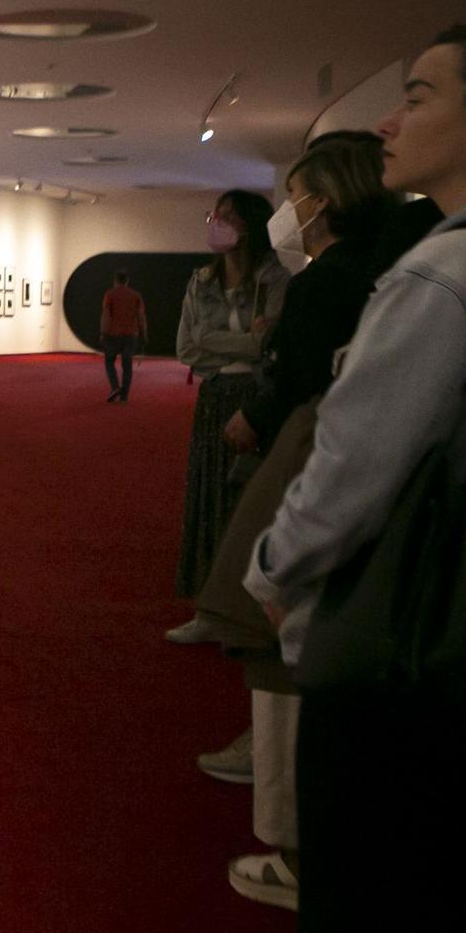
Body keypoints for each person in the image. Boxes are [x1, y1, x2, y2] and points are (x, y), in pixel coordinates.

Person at [243, 24, 466, 933]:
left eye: (418, 96)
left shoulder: (447, 269)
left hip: (415, 633)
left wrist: (271, 571)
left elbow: (353, 467)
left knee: (378, 907)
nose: (386, 122)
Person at [191, 131, 396, 910]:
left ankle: (291, 830)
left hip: (312, 451)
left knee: (276, 604)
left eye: (298, 194)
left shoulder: (331, 282)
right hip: (317, 445)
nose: (289, 210)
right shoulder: (380, 268)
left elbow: (310, 378)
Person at [164, 190, 289, 643]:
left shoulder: (276, 277)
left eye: (228, 216)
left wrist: (220, 339)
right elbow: (186, 347)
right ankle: (210, 609)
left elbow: (271, 347)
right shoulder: (202, 281)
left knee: (253, 500)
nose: (217, 222)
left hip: (259, 398)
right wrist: (247, 342)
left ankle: (254, 609)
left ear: (251, 225)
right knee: (209, 498)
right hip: (215, 397)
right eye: (215, 215)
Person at [99, 270, 147, 402]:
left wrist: (103, 332)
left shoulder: (110, 294)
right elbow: (141, 316)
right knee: (127, 364)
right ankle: (124, 395)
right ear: (127, 281)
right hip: (131, 334)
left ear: (115, 281)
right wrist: (144, 333)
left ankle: (115, 387)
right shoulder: (136, 295)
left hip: (113, 334)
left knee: (109, 361)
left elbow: (106, 315)